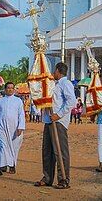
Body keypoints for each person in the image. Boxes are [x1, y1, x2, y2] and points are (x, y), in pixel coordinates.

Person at [34, 62, 76, 190]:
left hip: (58, 122)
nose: (53, 73)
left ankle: (63, 178)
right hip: (48, 120)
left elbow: (71, 101)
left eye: (54, 71)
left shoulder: (65, 83)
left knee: (60, 152)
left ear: (58, 70)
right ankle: (47, 178)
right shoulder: (53, 84)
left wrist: (58, 115)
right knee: (47, 151)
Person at [0, 82, 25, 176]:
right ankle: (1, 167)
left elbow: (21, 115)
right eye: (8, 88)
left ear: (14, 90)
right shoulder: (0, 101)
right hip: (1, 127)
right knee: (2, 146)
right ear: (5, 89)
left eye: (12, 88)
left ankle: (12, 165)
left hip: (14, 128)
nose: (10, 89)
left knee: (13, 147)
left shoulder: (18, 101)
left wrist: (21, 127)